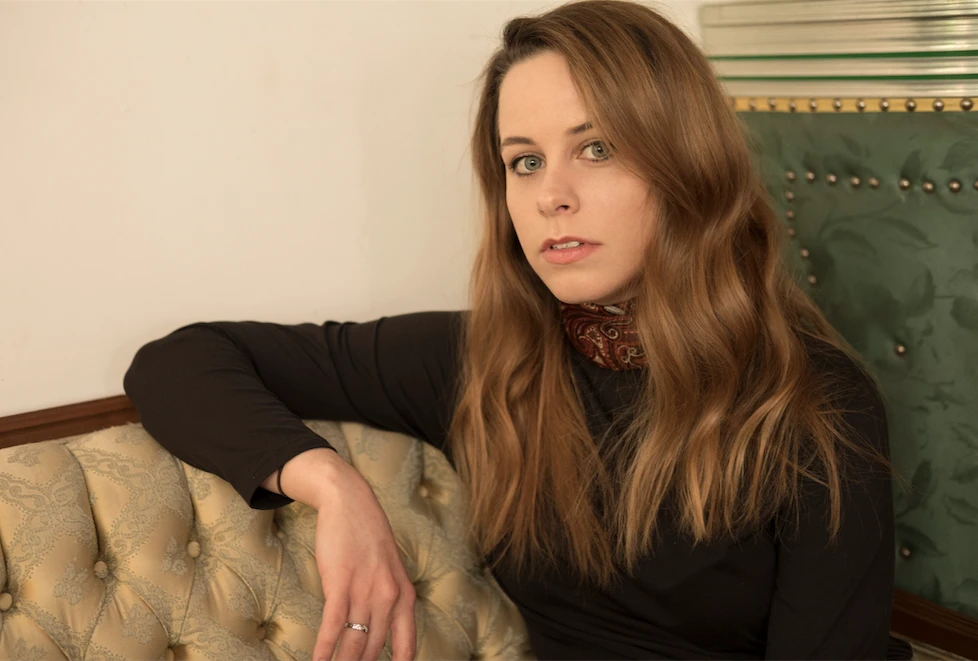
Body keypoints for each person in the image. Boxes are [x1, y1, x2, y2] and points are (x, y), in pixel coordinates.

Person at [124, 1, 904, 659]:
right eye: (524, 161)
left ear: (685, 166)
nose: (550, 196)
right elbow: (179, 361)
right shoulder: (483, 359)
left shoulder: (814, 404)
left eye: (596, 148)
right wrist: (331, 485)